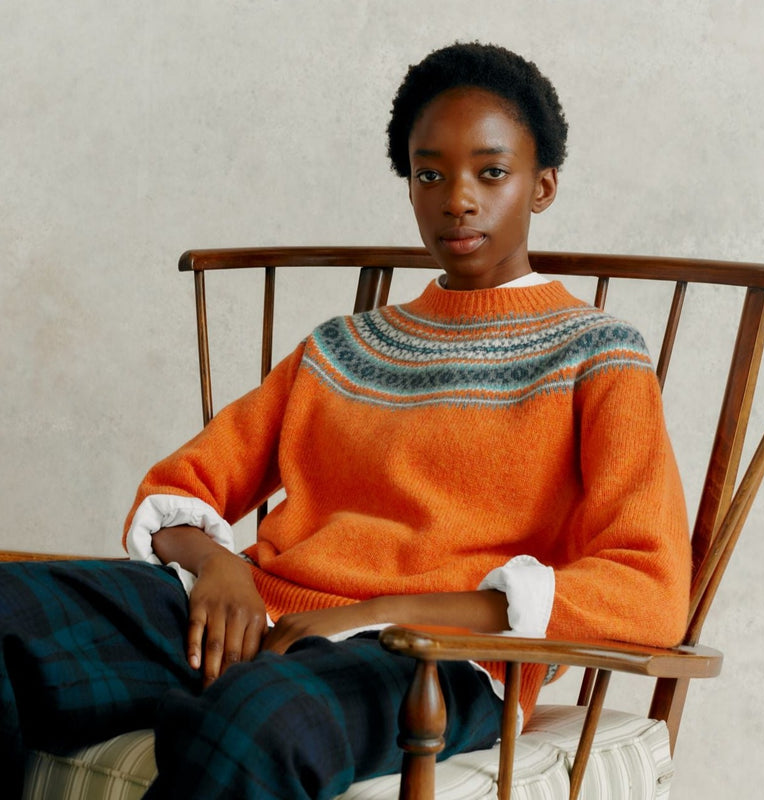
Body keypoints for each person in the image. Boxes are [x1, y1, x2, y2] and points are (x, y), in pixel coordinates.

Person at [0, 42, 691, 799]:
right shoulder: (343, 346)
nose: (457, 198)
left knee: (257, 718)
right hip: (259, 619)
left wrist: (382, 612)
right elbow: (182, 486)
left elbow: (648, 586)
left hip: (440, 655)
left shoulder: (598, 355)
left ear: (543, 185)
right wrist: (220, 564)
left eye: (491, 172)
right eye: (430, 174)